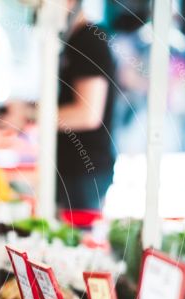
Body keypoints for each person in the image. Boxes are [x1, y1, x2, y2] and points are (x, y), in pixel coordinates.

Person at [56, 0, 117, 216]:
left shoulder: (89, 40)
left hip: (84, 171)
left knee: (77, 244)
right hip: (72, 170)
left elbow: (87, 114)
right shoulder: (72, 40)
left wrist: (34, 119)